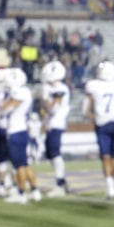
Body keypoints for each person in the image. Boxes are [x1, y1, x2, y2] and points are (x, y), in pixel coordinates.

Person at [83, 60, 114, 199]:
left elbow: (85, 109)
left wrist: (93, 118)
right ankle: (112, 185)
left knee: (105, 156)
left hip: (102, 123)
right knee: (113, 156)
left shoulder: (93, 85)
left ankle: (110, 186)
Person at [0, 67, 41, 204]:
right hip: (22, 129)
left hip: (16, 131)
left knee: (19, 166)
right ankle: (35, 190)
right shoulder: (25, 91)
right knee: (24, 163)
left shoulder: (19, 92)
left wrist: (4, 103)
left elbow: (6, 109)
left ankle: (21, 193)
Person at [39, 59, 71, 196]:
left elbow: (52, 108)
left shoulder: (60, 88)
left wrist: (44, 101)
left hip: (56, 123)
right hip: (51, 123)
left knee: (55, 152)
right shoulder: (52, 87)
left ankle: (60, 184)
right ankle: (61, 180)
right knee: (50, 153)